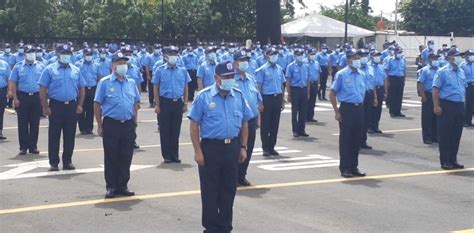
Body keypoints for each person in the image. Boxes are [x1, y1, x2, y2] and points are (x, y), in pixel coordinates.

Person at [188, 60, 253, 233]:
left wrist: (243, 146)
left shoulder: (238, 95)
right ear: (216, 78)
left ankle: (225, 226)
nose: (230, 80)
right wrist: (197, 151)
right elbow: (194, 125)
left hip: (232, 147)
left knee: (229, 189)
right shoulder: (204, 96)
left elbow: (245, 122)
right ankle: (211, 227)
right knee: (210, 190)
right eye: (226, 77)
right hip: (211, 148)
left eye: (232, 76)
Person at [94, 51, 140, 198]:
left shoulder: (131, 82)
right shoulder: (105, 82)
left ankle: (123, 185)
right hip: (111, 124)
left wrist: (134, 121)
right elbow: (97, 104)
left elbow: (136, 103)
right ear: (113, 65)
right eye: (120, 63)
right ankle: (111, 186)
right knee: (111, 156)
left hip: (127, 124)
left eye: (125, 63)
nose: (123, 66)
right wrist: (99, 125)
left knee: (126, 155)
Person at [38, 44, 86, 171]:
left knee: (70, 135)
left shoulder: (76, 69)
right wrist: (45, 106)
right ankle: (53, 162)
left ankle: (67, 161)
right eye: (63, 53)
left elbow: (82, 88)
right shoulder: (49, 69)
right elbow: (42, 88)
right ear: (58, 54)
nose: (66, 55)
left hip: (71, 105)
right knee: (54, 135)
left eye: (68, 53)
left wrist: (80, 105)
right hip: (56, 105)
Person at [329, 49, 367, 178]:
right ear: (348, 60)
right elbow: (332, 93)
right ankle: (345, 168)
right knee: (346, 139)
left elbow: (363, 92)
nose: (358, 59)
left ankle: (354, 166)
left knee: (357, 139)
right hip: (347, 108)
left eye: (358, 57)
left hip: (359, 108)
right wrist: (337, 112)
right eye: (355, 57)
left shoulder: (361, 74)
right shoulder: (341, 74)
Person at [152, 46, 190, 163]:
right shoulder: (160, 70)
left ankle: (175, 155)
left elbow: (186, 87)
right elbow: (155, 88)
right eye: (170, 54)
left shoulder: (182, 70)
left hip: (177, 102)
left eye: (175, 54)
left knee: (175, 130)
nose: (173, 56)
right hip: (165, 102)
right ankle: (167, 155)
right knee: (165, 130)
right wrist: (157, 105)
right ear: (165, 56)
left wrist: (185, 103)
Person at [432, 48, 466, 170]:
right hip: (447, 105)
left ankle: (453, 159)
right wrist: (436, 106)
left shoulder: (461, 71)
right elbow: (435, 89)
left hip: (459, 105)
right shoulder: (442, 71)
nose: (459, 58)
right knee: (445, 134)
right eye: (456, 56)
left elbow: (463, 88)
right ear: (450, 58)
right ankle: (445, 161)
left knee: (456, 134)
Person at [233, 50, 262, 187]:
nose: (244, 63)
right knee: (235, 149)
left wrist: (258, 117)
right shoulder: (231, 80)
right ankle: (232, 176)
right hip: (236, 120)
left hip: (250, 119)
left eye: (246, 60)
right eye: (241, 60)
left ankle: (241, 175)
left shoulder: (251, 78)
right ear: (235, 63)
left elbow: (256, 98)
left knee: (248, 148)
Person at [8, 46, 44, 154]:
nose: (31, 54)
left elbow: (45, 84)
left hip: (36, 96)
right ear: (25, 55)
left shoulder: (41, 66)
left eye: (33, 52)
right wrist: (15, 98)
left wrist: (45, 99)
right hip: (22, 96)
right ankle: (23, 147)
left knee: (35, 122)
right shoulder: (18, 66)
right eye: (29, 52)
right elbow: (13, 82)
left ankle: (33, 146)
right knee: (22, 123)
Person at [256, 48, 286, 156]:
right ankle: (265, 147)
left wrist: (282, 100)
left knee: (275, 124)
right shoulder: (262, 70)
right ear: (267, 56)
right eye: (272, 55)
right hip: (266, 98)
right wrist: (260, 102)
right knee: (265, 124)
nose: (274, 56)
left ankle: (272, 146)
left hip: (277, 97)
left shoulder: (279, 69)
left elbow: (282, 86)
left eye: (275, 54)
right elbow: (259, 87)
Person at [286, 48, 310, 137]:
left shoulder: (306, 66)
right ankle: (295, 130)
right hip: (295, 89)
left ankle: (302, 129)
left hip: (303, 89)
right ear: (295, 56)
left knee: (303, 111)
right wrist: (289, 94)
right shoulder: (291, 66)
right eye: (298, 54)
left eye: (301, 54)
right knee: (295, 111)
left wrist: (308, 92)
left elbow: (307, 80)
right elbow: (288, 80)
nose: (300, 56)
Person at [417, 54, 440, 144]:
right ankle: (427, 137)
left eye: (436, 59)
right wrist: (423, 96)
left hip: (437, 95)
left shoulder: (439, 70)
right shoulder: (425, 70)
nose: (435, 60)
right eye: (434, 59)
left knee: (436, 116)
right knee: (427, 117)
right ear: (429, 59)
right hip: (428, 95)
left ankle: (435, 136)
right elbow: (420, 83)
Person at [75, 48, 99, 135]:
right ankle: (82, 128)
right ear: (84, 54)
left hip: (92, 88)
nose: (89, 56)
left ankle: (89, 128)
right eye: (87, 54)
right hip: (82, 89)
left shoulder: (96, 64)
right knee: (81, 109)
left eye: (90, 54)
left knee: (91, 110)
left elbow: (98, 77)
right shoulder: (78, 64)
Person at [358, 49, 377, 150]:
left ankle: (363, 141)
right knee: (359, 120)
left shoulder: (370, 68)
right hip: (360, 96)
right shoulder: (356, 69)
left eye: (365, 55)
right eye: (362, 55)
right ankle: (356, 141)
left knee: (366, 119)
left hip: (369, 95)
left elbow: (372, 83)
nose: (364, 57)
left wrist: (375, 97)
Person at [385, 47, 406, 117]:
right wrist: (387, 81)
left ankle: (398, 111)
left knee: (399, 96)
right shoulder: (390, 60)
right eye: (398, 52)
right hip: (392, 78)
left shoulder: (402, 60)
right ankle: (392, 111)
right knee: (392, 95)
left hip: (400, 78)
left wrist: (404, 80)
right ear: (394, 52)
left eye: (400, 52)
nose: (399, 54)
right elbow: (386, 71)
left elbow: (404, 70)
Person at [368, 51, 386, 134]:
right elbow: (370, 82)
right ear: (371, 56)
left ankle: (375, 126)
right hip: (371, 89)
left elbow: (384, 79)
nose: (378, 57)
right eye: (376, 56)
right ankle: (369, 126)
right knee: (371, 108)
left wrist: (386, 91)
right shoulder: (368, 67)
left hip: (380, 89)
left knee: (378, 109)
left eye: (378, 56)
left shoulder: (381, 67)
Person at [306, 49, 321, 122]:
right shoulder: (304, 62)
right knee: (306, 100)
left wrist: (318, 83)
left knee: (313, 100)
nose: (312, 56)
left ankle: (310, 116)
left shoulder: (316, 63)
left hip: (314, 83)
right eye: (311, 54)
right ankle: (305, 116)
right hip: (307, 84)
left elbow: (318, 73)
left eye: (313, 54)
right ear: (307, 54)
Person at [460, 50, 474, 127]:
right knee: (466, 104)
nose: (472, 56)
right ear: (466, 56)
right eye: (471, 55)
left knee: (472, 104)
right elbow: (461, 77)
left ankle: (469, 120)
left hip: (473, 86)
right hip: (466, 86)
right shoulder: (462, 65)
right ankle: (464, 121)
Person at [0, 55, 11, 140]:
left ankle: (0, 131)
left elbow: (8, 78)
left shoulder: (4, 64)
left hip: (2, 90)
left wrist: (9, 90)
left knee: (1, 111)